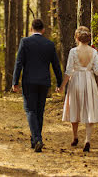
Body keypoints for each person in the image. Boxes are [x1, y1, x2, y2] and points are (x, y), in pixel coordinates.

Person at [12, 19, 62, 152]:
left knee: (30, 110)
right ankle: (35, 140)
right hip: (44, 82)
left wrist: (15, 82)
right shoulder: (49, 44)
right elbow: (56, 65)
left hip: (29, 82)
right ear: (43, 30)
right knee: (39, 111)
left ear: (31, 28)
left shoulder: (25, 42)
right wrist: (59, 82)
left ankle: (37, 138)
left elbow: (19, 63)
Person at [58, 26, 98, 152]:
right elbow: (97, 71)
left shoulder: (73, 51)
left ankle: (75, 136)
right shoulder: (94, 52)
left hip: (76, 80)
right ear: (88, 38)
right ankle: (87, 140)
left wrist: (62, 86)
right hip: (89, 81)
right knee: (89, 109)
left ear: (77, 38)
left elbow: (68, 71)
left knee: (75, 107)